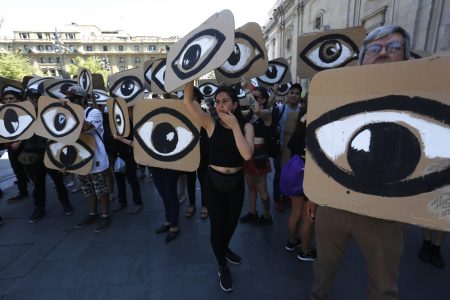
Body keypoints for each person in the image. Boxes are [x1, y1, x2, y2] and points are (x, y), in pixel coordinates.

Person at [308, 25, 412, 300]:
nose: (383, 54)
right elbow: (324, 146)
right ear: (362, 58)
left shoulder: (422, 96)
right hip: (336, 204)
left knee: (383, 286)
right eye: (375, 49)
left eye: (393, 48)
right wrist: (315, 195)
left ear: (406, 57)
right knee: (323, 269)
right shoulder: (337, 94)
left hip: (385, 213)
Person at [184, 81, 254, 292]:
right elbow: (189, 101)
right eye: (217, 102)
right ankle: (222, 265)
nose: (220, 106)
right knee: (217, 226)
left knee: (231, 225)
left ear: (234, 104)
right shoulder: (210, 123)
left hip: (235, 183)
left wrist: (234, 127)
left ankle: (223, 249)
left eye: (225, 102)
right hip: (213, 182)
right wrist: (189, 75)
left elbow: (247, 154)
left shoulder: (246, 126)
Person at [19, 88, 74, 222]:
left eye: (36, 97)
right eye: (31, 98)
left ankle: (66, 203)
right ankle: (39, 208)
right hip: (33, 156)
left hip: (49, 153)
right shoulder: (22, 115)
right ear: (26, 99)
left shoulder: (49, 112)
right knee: (38, 185)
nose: (34, 100)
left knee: (58, 182)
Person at [67, 86, 111, 233]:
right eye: (69, 99)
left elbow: (85, 127)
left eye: (73, 99)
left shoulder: (94, 112)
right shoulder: (70, 113)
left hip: (96, 156)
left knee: (100, 188)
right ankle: (92, 213)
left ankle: (105, 215)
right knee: (87, 188)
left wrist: (72, 112)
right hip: (80, 157)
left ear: (82, 98)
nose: (70, 102)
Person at [239, 86, 273, 225]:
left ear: (264, 100)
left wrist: (247, 90)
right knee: (251, 186)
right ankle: (253, 212)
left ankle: (266, 216)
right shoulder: (248, 114)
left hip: (259, 154)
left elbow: (257, 109)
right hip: (248, 153)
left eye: (256, 97)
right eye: (252, 96)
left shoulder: (266, 112)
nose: (252, 99)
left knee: (262, 189)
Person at [272, 84, 302, 212]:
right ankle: (277, 198)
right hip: (280, 147)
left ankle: (286, 195)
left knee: (292, 173)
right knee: (279, 173)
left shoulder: (303, 110)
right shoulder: (280, 109)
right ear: (287, 95)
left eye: (297, 93)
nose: (294, 95)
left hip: (296, 149)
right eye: (292, 92)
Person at [111, 107, 143, 214]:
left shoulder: (134, 122)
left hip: (129, 154)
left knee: (132, 179)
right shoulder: (116, 121)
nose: (130, 112)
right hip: (118, 154)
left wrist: (120, 139)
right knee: (119, 179)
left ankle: (138, 202)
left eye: (130, 110)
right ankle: (122, 201)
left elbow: (136, 142)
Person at [1, 90, 29, 203]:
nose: (8, 101)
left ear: (18, 100)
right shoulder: (2, 113)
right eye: (6, 99)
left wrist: (20, 142)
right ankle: (23, 192)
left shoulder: (25, 112)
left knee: (33, 172)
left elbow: (29, 129)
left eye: (11, 98)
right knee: (17, 171)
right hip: (11, 147)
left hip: (26, 146)